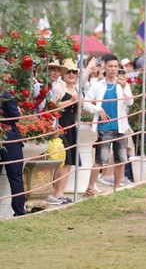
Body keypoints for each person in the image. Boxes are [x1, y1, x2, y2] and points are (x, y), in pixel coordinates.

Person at [83, 54, 133, 195]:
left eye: (116, 66)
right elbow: (85, 103)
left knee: (121, 159)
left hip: (121, 126)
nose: (113, 69)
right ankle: (90, 187)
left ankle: (116, 188)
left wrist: (124, 87)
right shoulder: (98, 86)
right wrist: (98, 110)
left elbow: (130, 102)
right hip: (104, 127)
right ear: (104, 67)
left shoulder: (123, 85)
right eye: (110, 66)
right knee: (100, 159)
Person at [47, 59, 80, 205]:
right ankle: (55, 192)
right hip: (61, 124)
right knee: (64, 158)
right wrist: (70, 101)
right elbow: (53, 105)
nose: (71, 74)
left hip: (71, 124)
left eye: (74, 72)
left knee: (70, 160)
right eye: (69, 71)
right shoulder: (58, 86)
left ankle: (60, 192)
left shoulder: (76, 87)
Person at [0, 90, 27, 217]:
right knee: (15, 176)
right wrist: (18, 111)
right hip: (9, 137)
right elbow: (15, 115)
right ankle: (19, 210)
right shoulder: (4, 94)